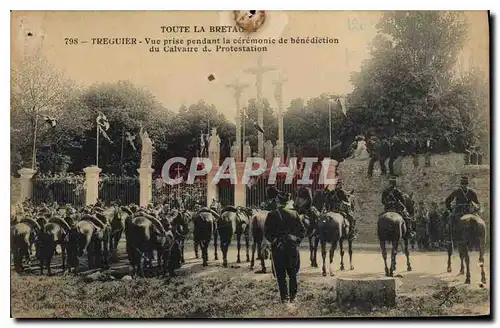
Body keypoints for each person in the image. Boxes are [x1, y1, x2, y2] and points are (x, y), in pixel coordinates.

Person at [264, 195, 306, 305]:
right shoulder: (294, 213)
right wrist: (296, 240)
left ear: (277, 202)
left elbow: (267, 233)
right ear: (287, 203)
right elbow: (302, 231)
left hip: (278, 249)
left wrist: (275, 241)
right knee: (293, 274)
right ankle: (293, 297)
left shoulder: (271, 214)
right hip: (292, 248)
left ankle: (284, 299)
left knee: (280, 275)